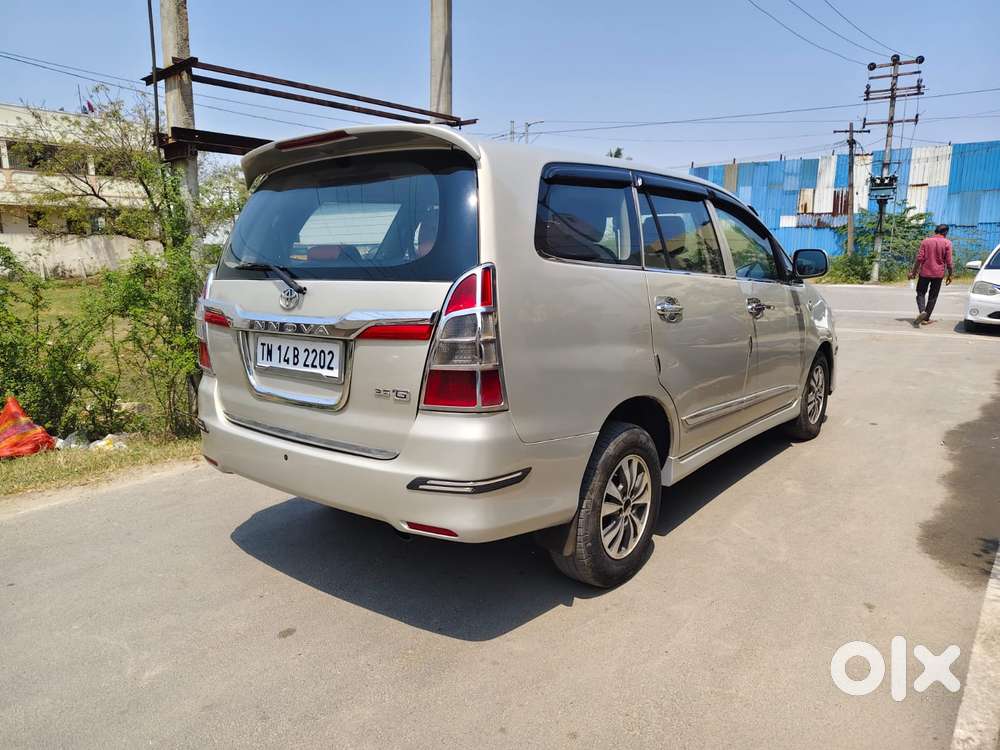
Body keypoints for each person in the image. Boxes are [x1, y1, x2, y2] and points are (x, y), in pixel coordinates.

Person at [908, 224, 953, 327]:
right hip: (938, 274)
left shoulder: (926, 241)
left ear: (935, 231)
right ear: (945, 232)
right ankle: (926, 318)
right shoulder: (947, 243)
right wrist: (950, 275)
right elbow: (949, 262)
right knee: (933, 296)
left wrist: (913, 272)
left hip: (925, 272)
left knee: (920, 293)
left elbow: (919, 258)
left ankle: (922, 312)